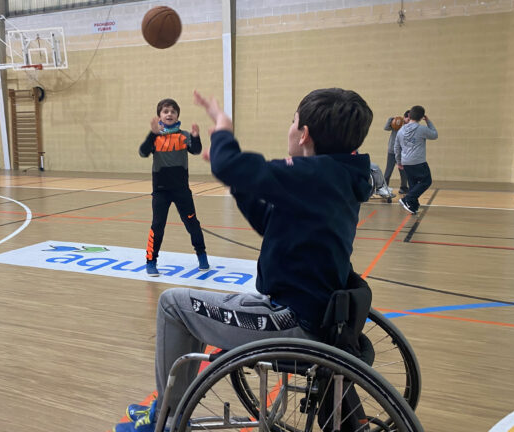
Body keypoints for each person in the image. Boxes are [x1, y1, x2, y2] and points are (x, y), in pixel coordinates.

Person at [115, 88, 373, 432]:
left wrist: (222, 128)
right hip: (312, 311)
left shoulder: (312, 174)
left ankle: (165, 419)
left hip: (291, 321)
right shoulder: (339, 176)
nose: (290, 128)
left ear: (304, 133)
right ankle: (169, 408)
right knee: (199, 305)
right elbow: (269, 222)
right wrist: (238, 184)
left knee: (172, 304)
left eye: (293, 121)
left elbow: (230, 163)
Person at [139, 98, 210, 277]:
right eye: (165, 111)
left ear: (177, 115)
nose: (169, 114)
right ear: (159, 116)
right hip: (161, 191)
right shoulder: (155, 137)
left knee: (192, 223)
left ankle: (202, 255)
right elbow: (143, 152)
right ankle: (151, 261)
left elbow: (196, 150)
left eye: (172, 111)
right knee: (158, 226)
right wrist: (152, 134)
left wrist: (195, 136)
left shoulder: (184, 135)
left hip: (181, 191)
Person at [394, 105, 438, 215]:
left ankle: (413, 206)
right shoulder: (422, 129)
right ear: (422, 117)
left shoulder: (400, 130)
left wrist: (398, 162)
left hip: (406, 162)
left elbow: (396, 147)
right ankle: (406, 199)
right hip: (418, 161)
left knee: (413, 184)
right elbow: (434, 134)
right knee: (426, 181)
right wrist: (428, 121)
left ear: (409, 115)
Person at [383, 110, 410, 194]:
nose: (409, 119)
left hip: (403, 152)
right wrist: (392, 119)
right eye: (408, 117)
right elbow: (386, 128)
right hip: (392, 151)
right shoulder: (397, 124)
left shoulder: (410, 127)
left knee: (403, 172)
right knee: (388, 171)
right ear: (404, 117)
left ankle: (403, 188)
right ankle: (384, 188)